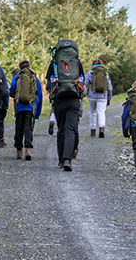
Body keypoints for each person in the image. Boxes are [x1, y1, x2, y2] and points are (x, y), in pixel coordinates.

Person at [45, 39, 85, 171]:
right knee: (70, 129)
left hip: (59, 100)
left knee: (61, 129)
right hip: (73, 99)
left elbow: (48, 84)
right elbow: (82, 81)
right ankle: (68, 159)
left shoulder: (55, 62)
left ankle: (61, 160)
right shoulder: (77, 62)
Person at [8, 59, 43, 160]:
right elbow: (39, 95)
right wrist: (37, 112)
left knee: (19, 129)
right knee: (28, 128)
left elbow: (11, 92)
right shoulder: (35, 78)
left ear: (20, 68)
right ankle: (28, 150)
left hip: (19, 108)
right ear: (29, 66)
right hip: (30, 108)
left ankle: (19, 151)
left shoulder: (17, 77)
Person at [85, 59, 112, 138]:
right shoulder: (105, 73)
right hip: (103, 96)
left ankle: (93, 130)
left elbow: (84, 85)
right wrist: (109, 98)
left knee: (92, 113)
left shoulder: (90, 73)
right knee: (101, 112)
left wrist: (83, 95)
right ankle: (101, 129)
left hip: (91, 96)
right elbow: (110, 88)